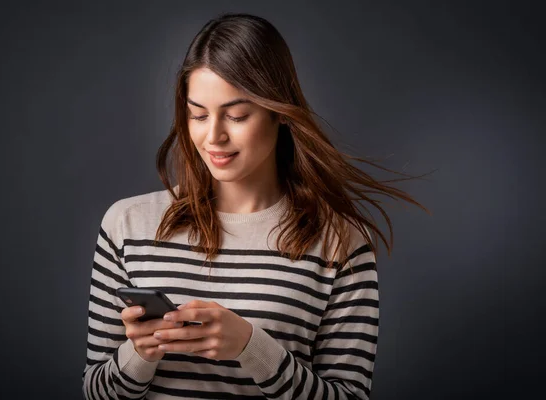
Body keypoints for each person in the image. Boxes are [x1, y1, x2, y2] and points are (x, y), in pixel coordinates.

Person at [82, 12, 427, 400]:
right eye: (198, 115)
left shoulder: (342, 242)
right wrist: (140, 353)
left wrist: (251, 347)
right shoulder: (127, 225)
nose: (214, 136)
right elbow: (98, 393)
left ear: (278, 111)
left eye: (237, 115)